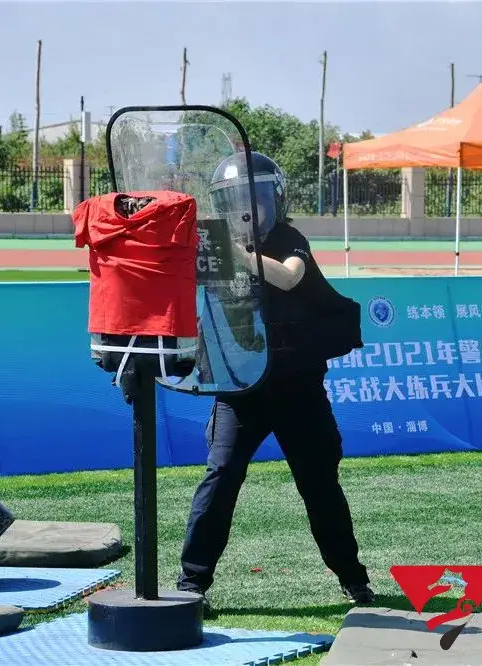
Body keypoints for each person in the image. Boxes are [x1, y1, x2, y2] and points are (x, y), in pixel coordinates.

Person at [176, 151, 375, 611]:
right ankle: (192, 583)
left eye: (256, 199)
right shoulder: (215, 245)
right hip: (240, 389)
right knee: (220, 477)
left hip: (297, 387)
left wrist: (239, 254)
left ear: (273, 200)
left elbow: (288, 278)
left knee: (319, 483)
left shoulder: (288, 239)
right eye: (234, 200)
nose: (246, 208)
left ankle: (353, 578)